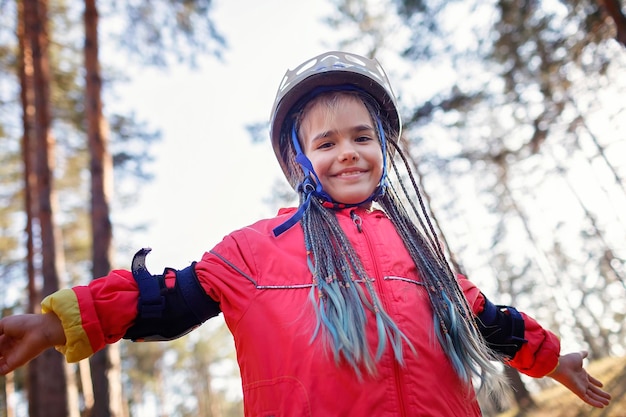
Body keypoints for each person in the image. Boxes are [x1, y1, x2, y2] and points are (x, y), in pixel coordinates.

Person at [0, 51, 612, 416]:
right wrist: (54, 324)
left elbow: (489, 321)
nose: (348, 153)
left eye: (362, 137)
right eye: (326, 142)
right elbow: (164, 298)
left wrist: (555, 359)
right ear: (297, 162)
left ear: (384, 149)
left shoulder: (421, 254)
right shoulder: (252, 251)